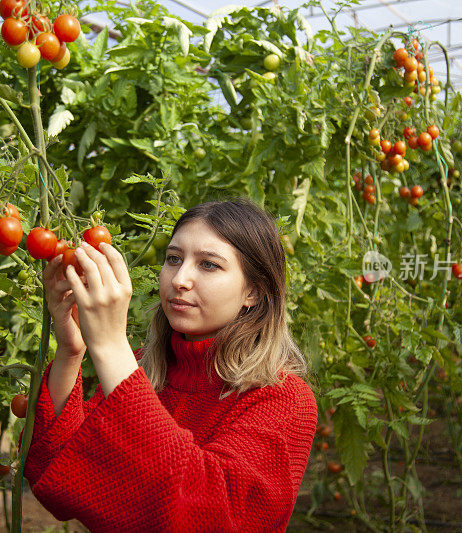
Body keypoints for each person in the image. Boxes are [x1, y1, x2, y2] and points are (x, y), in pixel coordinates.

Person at [24, 198, 318, 532]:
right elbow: (56, 468)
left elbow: (203, 518)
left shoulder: (283, 400)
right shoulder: (145, 373)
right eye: (174, 259)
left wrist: (109, 346)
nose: (179, 279)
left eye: (208, 264)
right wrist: (71, 352)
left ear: (253, 291)